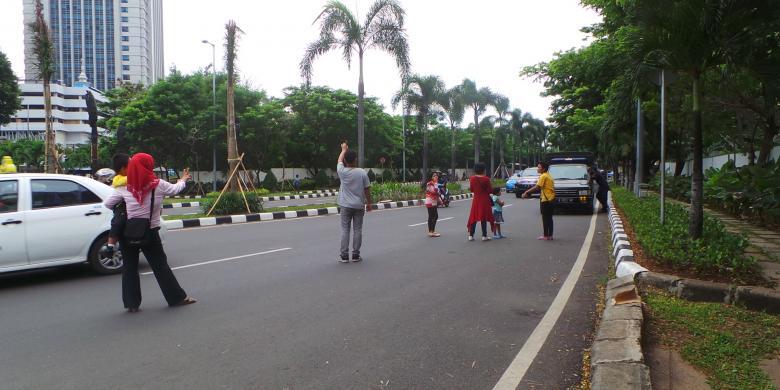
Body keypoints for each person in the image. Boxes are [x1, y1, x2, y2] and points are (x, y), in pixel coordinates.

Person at [104, 153, 197, 312]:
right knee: (160, 266)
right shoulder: (158, 184)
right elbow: (176, 189)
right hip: (150, 232)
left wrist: (126, 205)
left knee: (129, 268)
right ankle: (176, 298)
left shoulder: (123, 186)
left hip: (129, 233)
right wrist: (183, 179)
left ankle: (132, 304)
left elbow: (108, 204)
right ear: (149, 166)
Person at [337, 142, 372, 263]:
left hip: (345, 206)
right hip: (359, 206)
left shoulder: (342, 171)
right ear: (356, 160)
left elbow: (339, 159)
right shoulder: (362, 172)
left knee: (345, 230)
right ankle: (356, 255)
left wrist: (343, 149)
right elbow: (367, 189)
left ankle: (344, 256)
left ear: (345, 161)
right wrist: (369, 203)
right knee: (358, 230)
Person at [100, 153, 130, 258]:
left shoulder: (121, 179)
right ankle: (111, 245)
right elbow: (108, 203)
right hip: (122, 211)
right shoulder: (122, 180)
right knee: (117, 221)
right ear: (123, 168)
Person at [523, 161, 555, 240]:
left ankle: (545, 236)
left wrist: (526, 192)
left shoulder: (543, 176)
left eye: (539, 167)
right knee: (549, 218)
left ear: (543, 169)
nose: (537, 169)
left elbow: (537, 187)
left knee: (545, 218)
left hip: (546, 200)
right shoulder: (549, 176)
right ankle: (550, 235)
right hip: (551, 199)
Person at [466, 163, 495, 241]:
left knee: (474, 217)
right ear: (483, 170)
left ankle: (471, 235)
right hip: (485, 200)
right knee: (483, 217)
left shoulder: (472, 178)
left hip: (476, 200)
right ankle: (484, 236)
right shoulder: (486, 179)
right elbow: (490, 190)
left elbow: (472, 189)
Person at [424, 172, 441, 237]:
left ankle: (431, 231)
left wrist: (439, 200)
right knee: (434, 216)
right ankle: (432, 231)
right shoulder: (430, 183)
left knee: (431, 216)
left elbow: (436, 193)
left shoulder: (436, 184)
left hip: (433, 201)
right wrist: (437, 194)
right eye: (434, 176)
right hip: (430, 201)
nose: (436, 177)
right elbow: (432, 192)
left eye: (436, 176)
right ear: (432, 177)